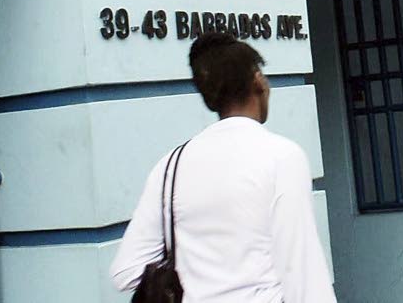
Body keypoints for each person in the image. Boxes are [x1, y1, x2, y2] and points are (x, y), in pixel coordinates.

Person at [111, 34, 336, 303]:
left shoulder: (170, 166)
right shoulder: (282, 156)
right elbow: (303, 273)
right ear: (257, 81)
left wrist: (197, 272)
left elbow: (125, 272)